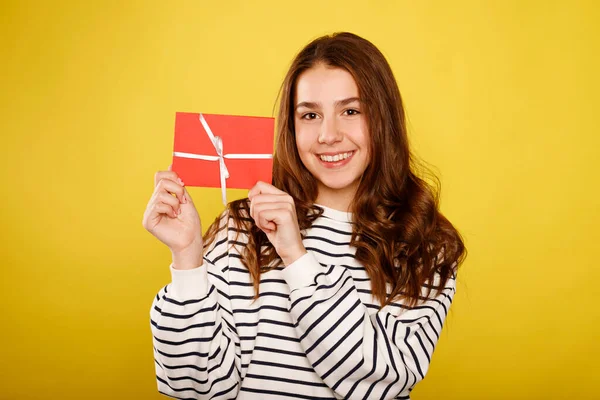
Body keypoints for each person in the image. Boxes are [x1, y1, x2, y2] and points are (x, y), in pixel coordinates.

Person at [143, 32, 466, 400]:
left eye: (351, 111)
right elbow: (196, 386)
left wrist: (297, 258)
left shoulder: (425, 243)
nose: (328, 135)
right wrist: (187, 259)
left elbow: (380, 381)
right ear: (292, 127)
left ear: (383, 119)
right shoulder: (243, 226)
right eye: (310, 115)